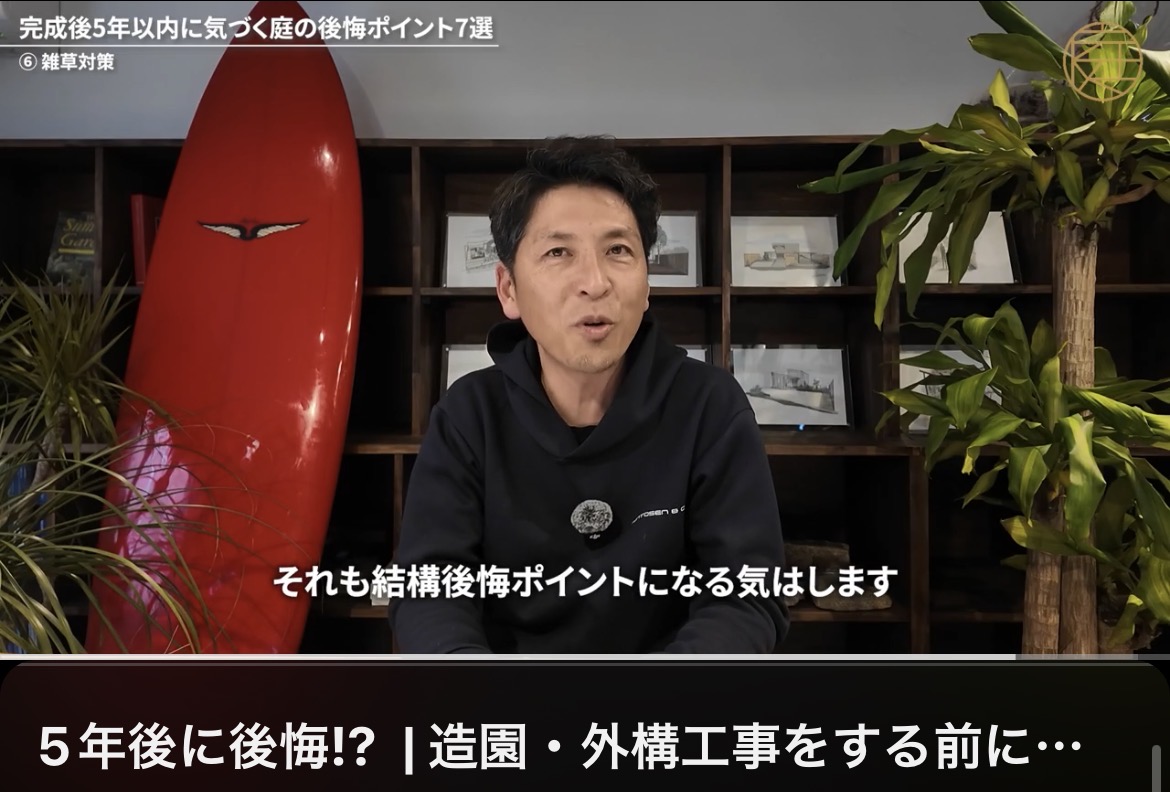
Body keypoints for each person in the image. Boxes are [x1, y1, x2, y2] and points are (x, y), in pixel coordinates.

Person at [388, 135, 789, 654]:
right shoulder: (469, 415)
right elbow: (429, 591)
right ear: (508, 289)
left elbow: (745, 596)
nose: (595, 282)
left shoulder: (709, 406)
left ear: (647, 282)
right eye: (558, 252)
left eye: (618, 251)